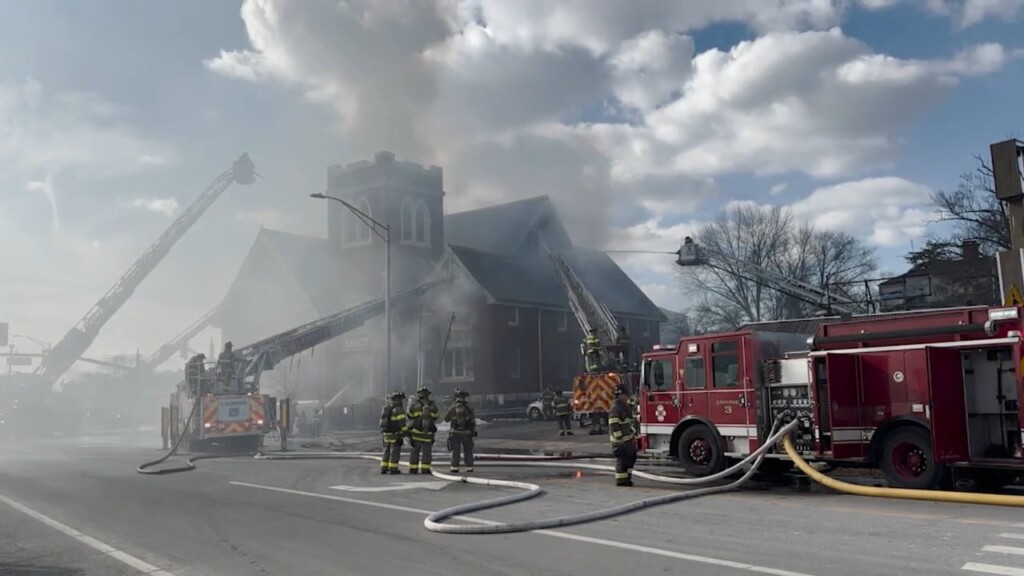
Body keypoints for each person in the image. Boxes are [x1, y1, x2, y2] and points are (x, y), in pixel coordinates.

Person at [608, 384, 636, 487]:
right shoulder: (616, 407)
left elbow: (627, 422)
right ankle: (621, 480)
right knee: (622, 461)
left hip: (627, 440)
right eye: (625, 394)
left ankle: (626, 478)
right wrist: (619, 437)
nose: (627, 396)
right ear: (620, 395)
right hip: (620, 442)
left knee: (630, 458)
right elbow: (613, 423)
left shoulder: (624, 406)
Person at [406, 386, 440, 474]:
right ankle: (425, 469)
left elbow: (410, 415)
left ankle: (413, 469)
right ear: (428, 395)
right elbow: (436, 416)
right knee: (427, 453)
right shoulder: (432, 405)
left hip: (416, 433)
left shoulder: (415, 405)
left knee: (414, 452)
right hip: (428, 434)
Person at [444, 388, 476, 473]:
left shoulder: (453, 407)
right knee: (468, 450)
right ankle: (469, 467)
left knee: (455, 450)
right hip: (467, 433)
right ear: (465, 397)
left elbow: (446, 419)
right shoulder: (469, 407)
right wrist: (472, 431)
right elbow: (473, 421)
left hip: (455, 432)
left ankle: (454, 467)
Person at [379, 392, 408, 474]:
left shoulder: (386, 408)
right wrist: (406, 431)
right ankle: (393, 468)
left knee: (386, 451)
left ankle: (384, 467)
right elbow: (402, 424)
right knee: (394, 452)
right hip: (395, 435)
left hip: (386, 435)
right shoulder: (398, 410)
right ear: (398, 400)